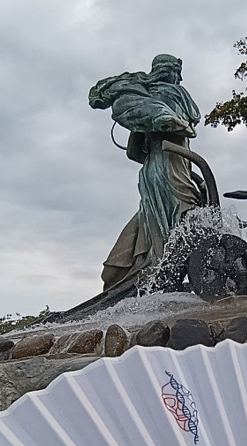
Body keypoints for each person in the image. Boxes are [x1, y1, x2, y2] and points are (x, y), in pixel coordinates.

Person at [89, 54, 203, 291]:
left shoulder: (145, 99)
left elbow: (133, 152)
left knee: (159, 223)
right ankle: (166, 277)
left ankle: (152, 274)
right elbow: (194, 118)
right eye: (178, 72)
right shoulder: (177, 93)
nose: (180, 78)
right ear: (170, 71)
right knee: (184, 218)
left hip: (152, 171)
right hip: (173, 166)